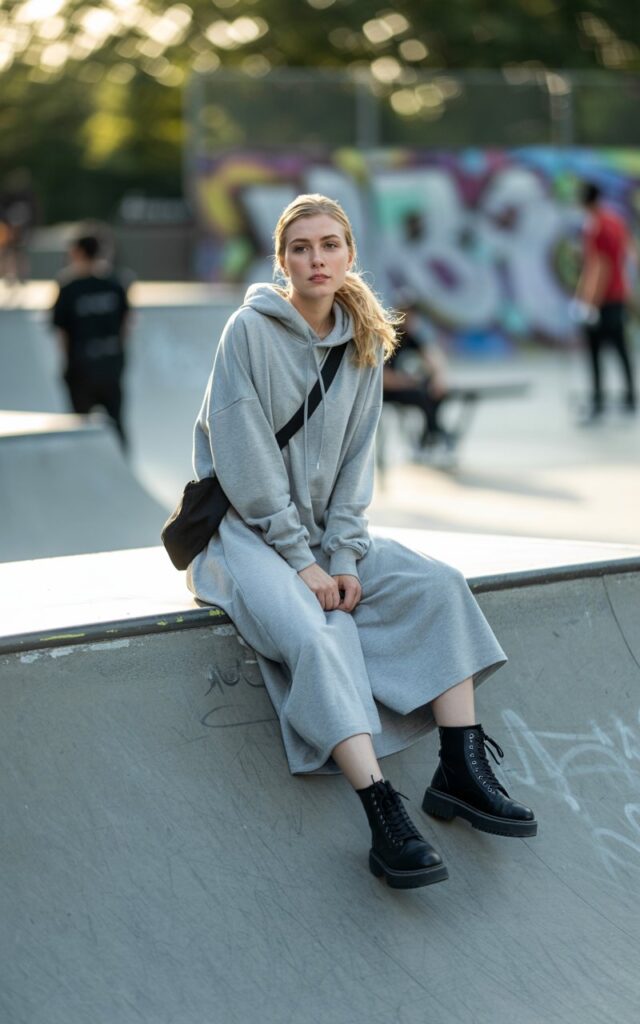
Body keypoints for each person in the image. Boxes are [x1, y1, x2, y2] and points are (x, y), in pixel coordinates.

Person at [187, 194, 536, 890]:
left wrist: (342, 556)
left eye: (329, 245)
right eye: (300, 248)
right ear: (281, 259)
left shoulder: (364, 337)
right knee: (316, 635)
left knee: (439, 584)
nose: (315, 260)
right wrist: (305, 563)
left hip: (324, 534)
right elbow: (249, 467)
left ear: (350, 254)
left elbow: (356, 467)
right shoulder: (248, 333)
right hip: (249, 536)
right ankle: (382, 813)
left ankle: (460, 767)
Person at [52, 231, 129, 447]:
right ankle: (122, 469)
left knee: (80, 426)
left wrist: (67, 365)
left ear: (77, 253)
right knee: (117, 423)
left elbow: (62, 333)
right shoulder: (115, 285)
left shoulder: (69, 289)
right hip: (111, 365)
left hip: (81, 368)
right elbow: (126, 325)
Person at [573, 182, 637, 421]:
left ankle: (598, 402)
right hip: (619, 296)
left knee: (595, 353)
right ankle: (630, 398)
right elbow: (631, 253)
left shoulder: (596, 226)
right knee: (621, 349)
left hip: (603, 300)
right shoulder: (616, 220)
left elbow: (599, 267)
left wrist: (588, 302)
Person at [382, 304, 452, 451]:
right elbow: (380, 376)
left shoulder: (411, 336)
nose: (411, 319)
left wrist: (438, 378)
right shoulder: (388, 336)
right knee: (420, 395)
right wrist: (406, 382)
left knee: (436, 393)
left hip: (405, 386)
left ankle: (430, 437)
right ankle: (434, 435)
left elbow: (431, 355)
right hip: (387, 392)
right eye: (407, 313)